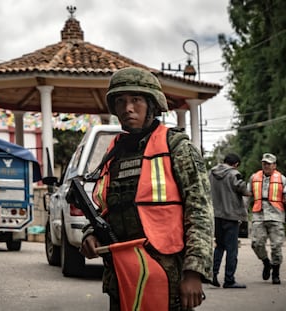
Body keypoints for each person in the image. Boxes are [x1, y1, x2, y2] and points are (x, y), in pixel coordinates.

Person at [79, 67, 214, 310]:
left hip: (166, 270)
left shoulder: (177, 147)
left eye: (136, 100)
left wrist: (194, 272)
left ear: (152, 104)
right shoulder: (114, 152)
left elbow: (200, 212)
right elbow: (106, 207)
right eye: (120, 101)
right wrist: (91, 233)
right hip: (122, 273)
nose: (127, 108)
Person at [248, 153, 286, 285]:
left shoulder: (282, 179)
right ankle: (266, 263)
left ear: (274, 165)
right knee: (256, 243)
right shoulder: (254, 177)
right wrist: (241, 213)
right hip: (259, 214)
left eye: (269, 163)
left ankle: (275, 272)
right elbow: (246, 196)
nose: (266, 165)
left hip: (276, 216)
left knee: (276, 246)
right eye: (264, 163)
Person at [209, 153, 250, 289]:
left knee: (219, 246)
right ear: (236, 164)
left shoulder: (212, 173)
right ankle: (229, 279)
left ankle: (213, 275)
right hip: (231, 216)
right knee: (232, 249)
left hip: (216, 215)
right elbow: (243, 189)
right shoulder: (234, 174)